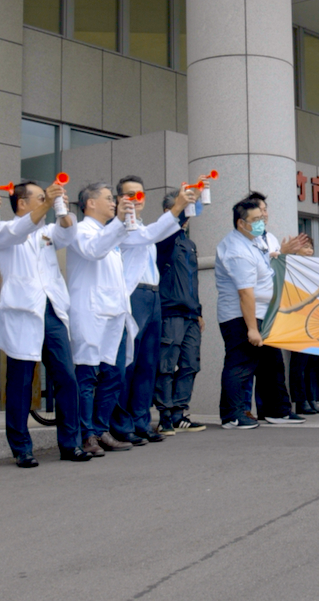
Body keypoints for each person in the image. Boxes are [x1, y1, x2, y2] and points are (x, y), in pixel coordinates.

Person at [0, 179, 91, 466]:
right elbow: (19, 230)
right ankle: (21, 447)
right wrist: (49, 203)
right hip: (23, 312)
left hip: (52, 310)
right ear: (22, 202)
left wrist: (60, 207)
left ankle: (70, 444)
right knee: (21, 382)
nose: (44, 202)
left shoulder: (47, 232)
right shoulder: (3, 231)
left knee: (66, 377)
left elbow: (68, 233)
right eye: (39, 198)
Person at [107, 178, 199, 447]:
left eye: (140, 194)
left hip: (153, 295)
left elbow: (157, 234)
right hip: (134, 295)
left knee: (148, 363)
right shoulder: (120, 227)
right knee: (129, 362)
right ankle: (122, 425)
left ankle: (141, 422)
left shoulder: (143, 226)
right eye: (129, 194)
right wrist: (178, 206)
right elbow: (152, 235)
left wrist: (183, 208)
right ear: (119, 199)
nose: (136, 199)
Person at [217, 196, 304, 429]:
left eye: (262, 217)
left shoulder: (255, 242)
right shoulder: (236, 250)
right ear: (241, 223)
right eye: (256, 219)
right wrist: (252, 329)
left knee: (272, 365)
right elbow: (246, 293)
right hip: (241, 316)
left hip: (264, 313)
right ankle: (232, 415)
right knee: (240, 365)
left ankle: (277, 411)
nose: (262, 221)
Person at [66, 182, 139, 455]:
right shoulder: (80, 230)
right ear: (90, 203)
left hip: (114, 313)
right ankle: (86, 435)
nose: (113, 202)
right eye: (108, 198)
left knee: (114, 375)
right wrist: (119, 222)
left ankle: (100, 429)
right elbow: (94, 250)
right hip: (90, 311)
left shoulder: (113, 233)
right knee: (87, 375)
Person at [154, 191, 207, 435]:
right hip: (169, 311)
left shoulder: (189, 244)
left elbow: (192, 280)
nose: (189, 215)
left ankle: (179, 413)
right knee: (166, 365)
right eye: (184, 208)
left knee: (190, 364)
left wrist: (199, 311)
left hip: (190, 314)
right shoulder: (161, 239)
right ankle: (164, 415)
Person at [288, 236, 319, 415]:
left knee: (313, 362)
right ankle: (300, 400)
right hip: (297, 320)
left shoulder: (315, 268)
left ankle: (312, 398)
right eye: (305, 247)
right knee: (300, 363)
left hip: (314, 319)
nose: (309, 250)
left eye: (311, 247)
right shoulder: (291, 267)